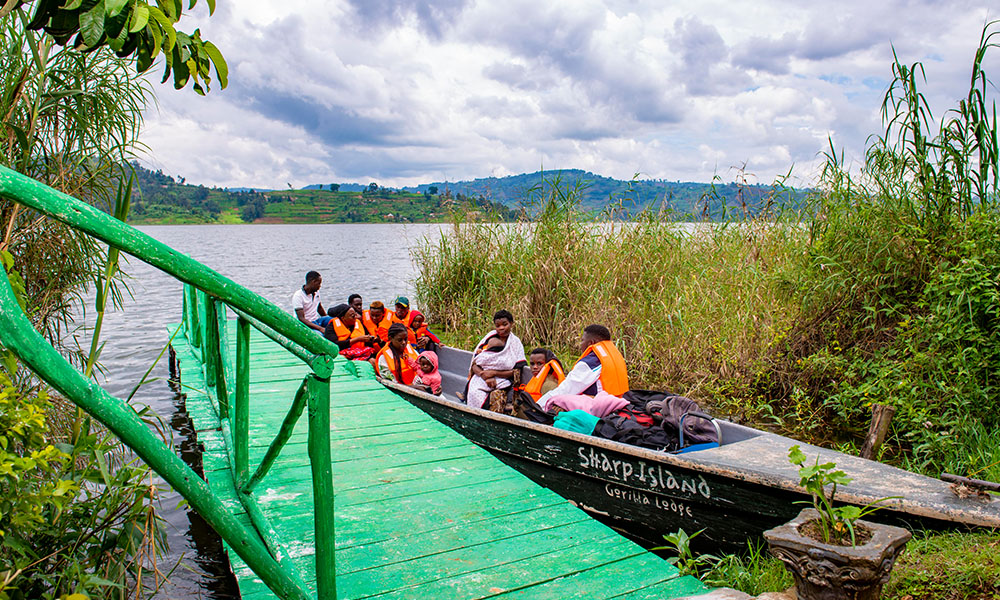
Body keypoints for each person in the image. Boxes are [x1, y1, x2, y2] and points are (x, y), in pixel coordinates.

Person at [537, 324, 630, 411]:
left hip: (598, 412)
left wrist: (538, 406)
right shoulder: (614, 356)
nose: (580, 344)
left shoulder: (590, 362)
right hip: (618, 407)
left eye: (582, 340)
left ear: (591, 343)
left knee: (552, 392)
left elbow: (565, 390)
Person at [465, 310, 526, 409]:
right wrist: (484, 375)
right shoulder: (489, 338)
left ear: (511, 324)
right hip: (481, 377)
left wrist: (493, 373)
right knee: (473, 392)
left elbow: (516, 372)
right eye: (498, 326)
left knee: (497, 399)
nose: (501, 328)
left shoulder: (516, 343)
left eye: (505, 324)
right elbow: (475, 364)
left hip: (503, 380)